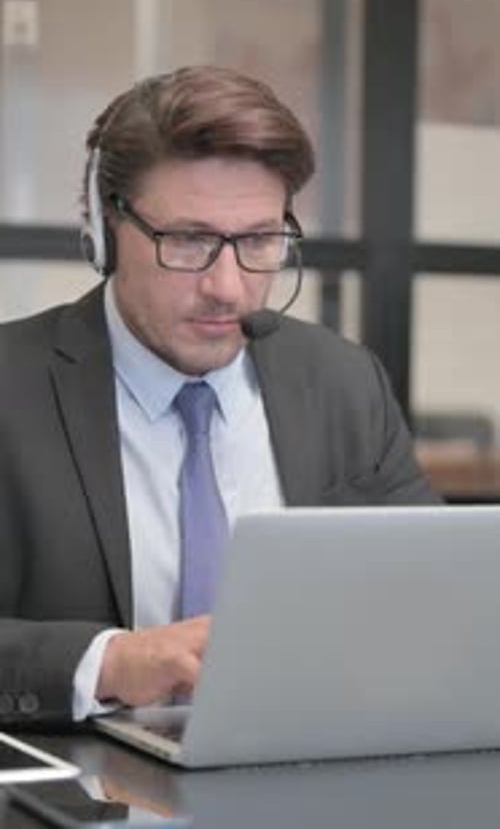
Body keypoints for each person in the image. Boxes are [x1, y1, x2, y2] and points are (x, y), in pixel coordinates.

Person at [0, 66, 439, 727]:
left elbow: (429, 601)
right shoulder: (12, 385)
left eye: (260, 240)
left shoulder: (343, 382)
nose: (228, 289)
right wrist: (106, 664)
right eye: (190, 240)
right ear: (102, 228)